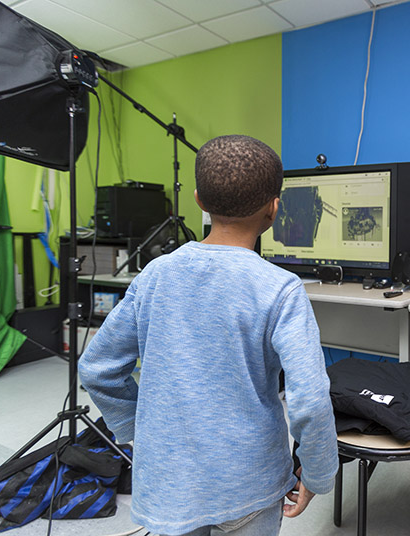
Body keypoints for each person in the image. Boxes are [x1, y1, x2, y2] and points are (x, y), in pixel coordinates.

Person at [78, 135, 339, 536]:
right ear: (274, 208)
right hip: (250, 481)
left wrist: (137, 433)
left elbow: (97, 368)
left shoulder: (154, 276)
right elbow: (311, 399)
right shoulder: (280, 288)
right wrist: (318, 474)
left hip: (169, 482)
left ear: (198, 200)